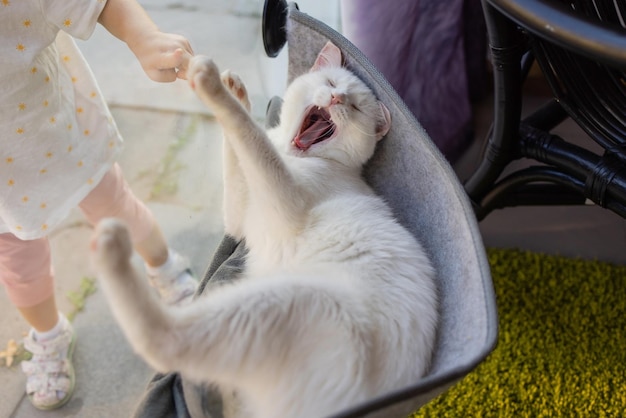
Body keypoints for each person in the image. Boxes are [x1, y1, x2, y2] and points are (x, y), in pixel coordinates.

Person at [0, 0, 197, 410]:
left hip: (56, 133)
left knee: (117, 209)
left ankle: (164, 268)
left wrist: (144, 39)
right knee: (20, 265)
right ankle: (50, 335)